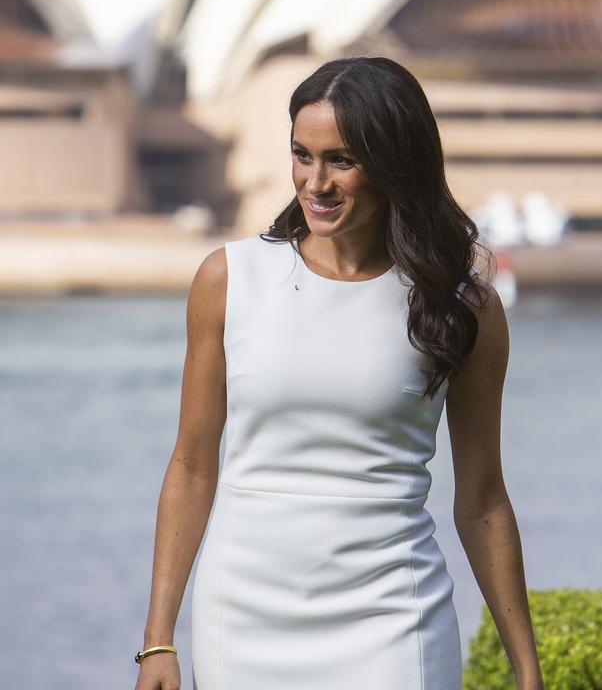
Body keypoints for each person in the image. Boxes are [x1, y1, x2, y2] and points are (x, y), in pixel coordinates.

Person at [134, 56, 545, 690]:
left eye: (342, 160)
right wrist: (157, 641)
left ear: (394, 165)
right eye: (302, 154)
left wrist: (527, 669)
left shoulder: (460, 309)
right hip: (244, 616)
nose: (315, 182)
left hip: (393, 617)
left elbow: (483, 497)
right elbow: (191, 463)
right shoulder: (228, 279)